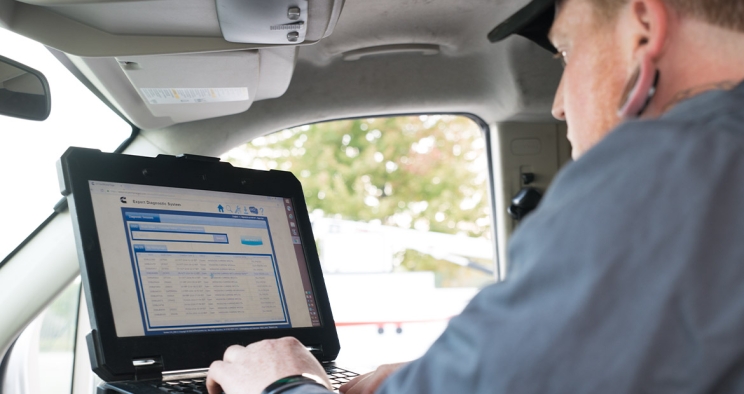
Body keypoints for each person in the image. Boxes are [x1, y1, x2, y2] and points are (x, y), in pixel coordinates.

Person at [207, 0, 744, 392]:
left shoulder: (670, 166)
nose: (558, 105)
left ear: (644, 28)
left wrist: (280, 385)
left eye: (566, 51)